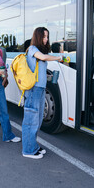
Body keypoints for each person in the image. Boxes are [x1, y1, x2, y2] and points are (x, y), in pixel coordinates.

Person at [22, 27, 63, 159]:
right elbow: (43, 57)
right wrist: (58, 57)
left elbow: (38, 69)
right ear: (38, 37)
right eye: (44, 36)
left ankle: (33, 146)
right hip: (33, 89)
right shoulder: (33, 48)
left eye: (47, 36)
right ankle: (28, 150)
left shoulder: (37, 50)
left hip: (39, 89)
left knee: (37, 120)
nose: (46, 39)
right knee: (31, 120)